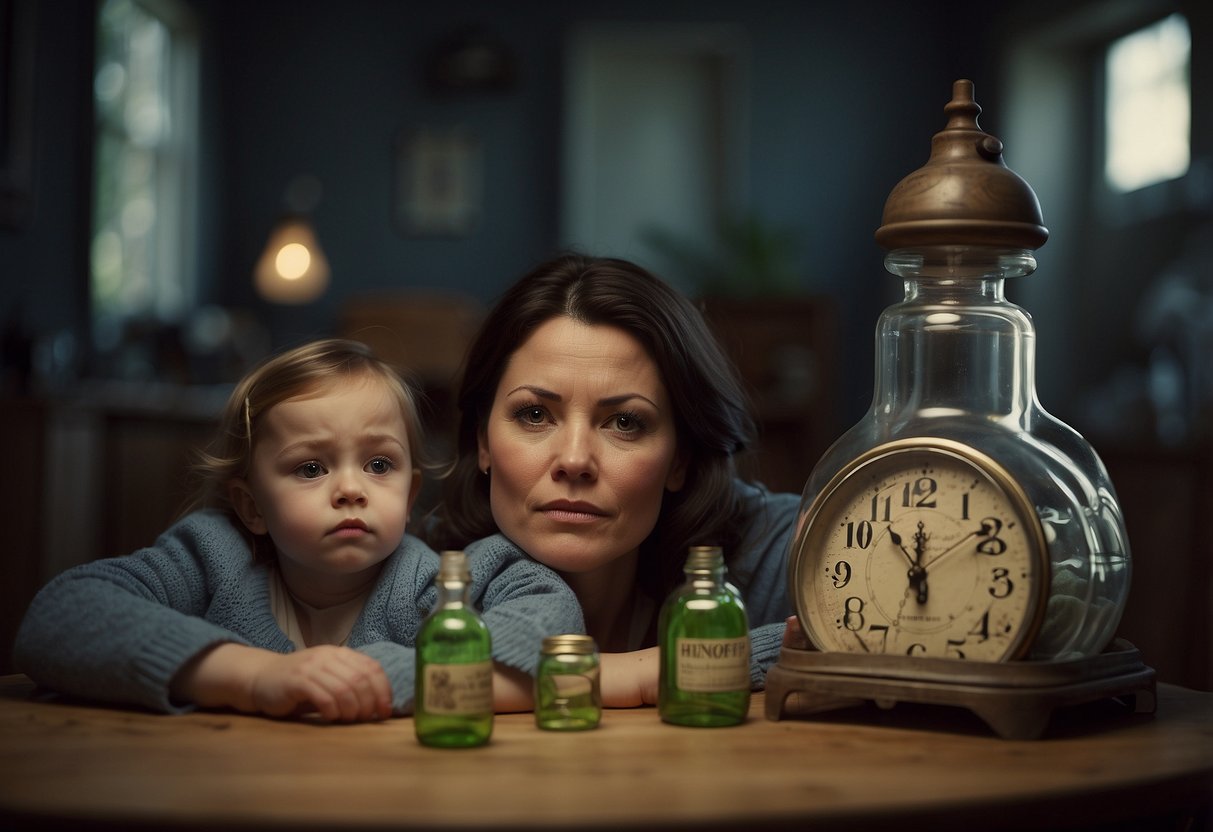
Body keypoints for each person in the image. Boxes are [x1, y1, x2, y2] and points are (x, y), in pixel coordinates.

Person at [15, 339, 582, 721]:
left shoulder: (438, 582)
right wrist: (256, 677)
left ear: (410, 497)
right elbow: (60, 616)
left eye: (379, 465)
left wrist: (371, 681)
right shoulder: (214, 556)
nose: (351, 489)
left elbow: (549, 620)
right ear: (252, 505)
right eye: (311, 468)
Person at [432, 254, 800, 707]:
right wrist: (648, 675)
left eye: (625, 422)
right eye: (534, 414)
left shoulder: (765, 549)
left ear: (679, 458)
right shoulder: (406, 574)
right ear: (482, 440)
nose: (574, 460)